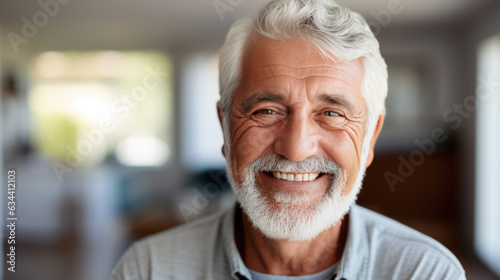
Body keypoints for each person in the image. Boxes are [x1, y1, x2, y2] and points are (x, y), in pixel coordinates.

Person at [111, 0, 466, 279]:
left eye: (332, 113)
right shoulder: (147, 271)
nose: (296, 150)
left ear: (370, 137)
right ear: (225, 128)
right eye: (266, 111)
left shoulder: (426, 273)